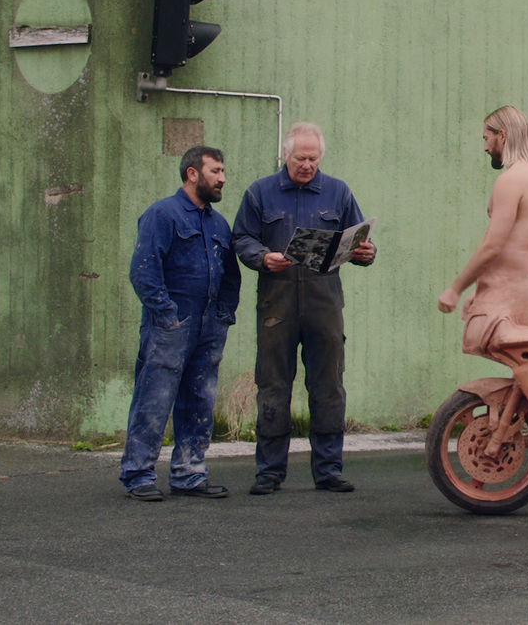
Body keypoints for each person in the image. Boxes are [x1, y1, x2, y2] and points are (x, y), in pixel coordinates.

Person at [232, 123, 376, 494]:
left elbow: (359, 239)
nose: (307, 165)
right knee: (273, 384)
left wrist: (366, 252)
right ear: (285, 155)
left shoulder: (338, 192)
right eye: (300, 158)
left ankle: (328, 470)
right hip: (277, 302)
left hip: (324, 302)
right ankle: (269, 472)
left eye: (313, 159)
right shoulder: (259, 192)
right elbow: (241, 237)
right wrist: (263, 257)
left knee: (328, 385)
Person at [120, 146, 242, 501]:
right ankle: (138, 474)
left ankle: (189, 473)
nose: (222, 178)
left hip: (209, 327)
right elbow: (143, 271)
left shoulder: (218, 224)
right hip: (171, 325)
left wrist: (223, 316)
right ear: (192, 173)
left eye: (222, 171)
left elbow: (231, 276)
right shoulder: (163, 214)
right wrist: (167, 315)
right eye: (216, 171)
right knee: (153, 399)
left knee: (199, 400)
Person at [437, 106, 528, 329]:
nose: (485, 148)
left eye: (486, 138)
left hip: (509, 296)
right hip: (523, 287)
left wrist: (455, 289)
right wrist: (482, 288)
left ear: (501, 135)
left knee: (479, 339)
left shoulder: (511, 180)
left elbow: (493, 245)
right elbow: (516, 245)